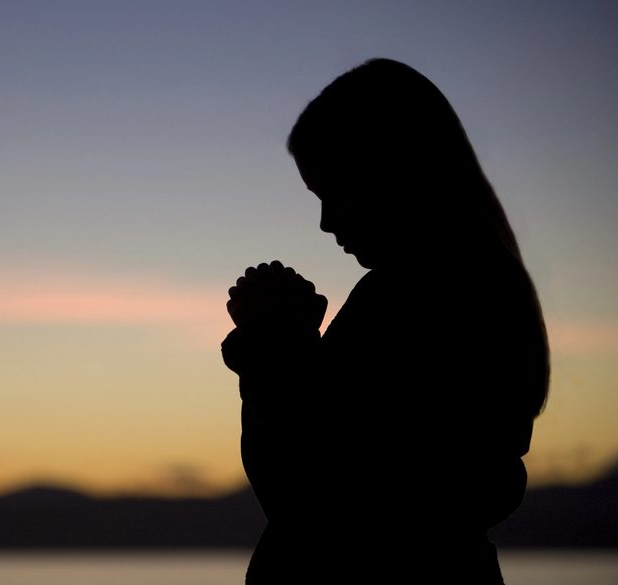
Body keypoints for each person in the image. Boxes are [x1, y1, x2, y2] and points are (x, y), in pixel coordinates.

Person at [221, 58, 550, 584]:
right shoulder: (474, 289)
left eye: (335, 192)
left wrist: (274, 341)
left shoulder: (424, 298)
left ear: (397, 171)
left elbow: (315, 496)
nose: (326, 223)